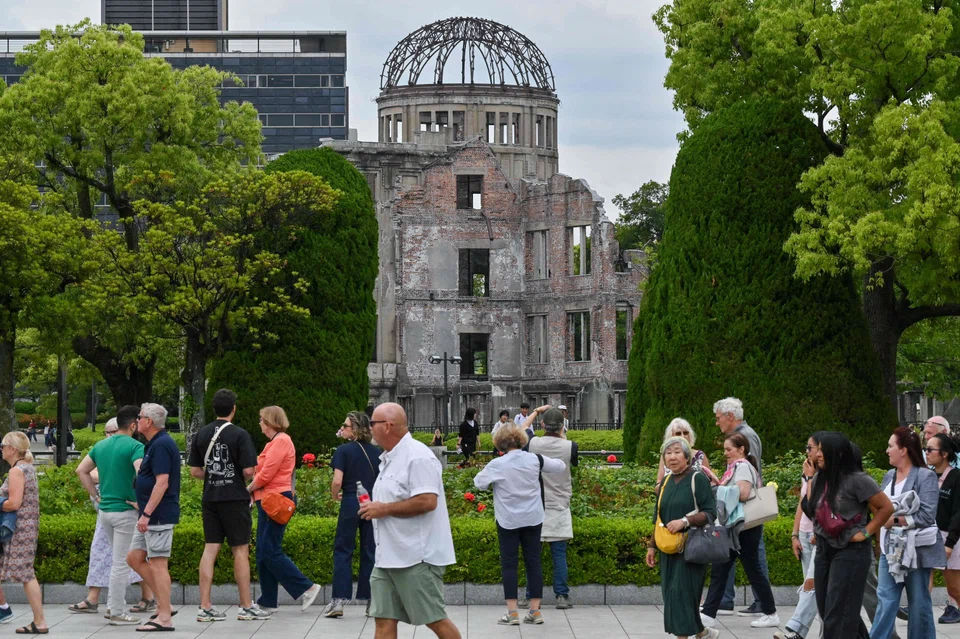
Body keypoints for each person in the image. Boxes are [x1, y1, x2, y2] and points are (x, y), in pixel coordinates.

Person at [360, 402, 461, 639]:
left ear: (387, 426)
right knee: (383, 621)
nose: (369, 427)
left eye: (372, 423)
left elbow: (427, 501)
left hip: (416, 557)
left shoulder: (418, 457)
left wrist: (383, 509)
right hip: (386, 558)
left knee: (435, 620)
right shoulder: (389, 458)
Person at [800, 432, 893, 638]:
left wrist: (866, 533)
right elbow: (810, 509)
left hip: (850, 552)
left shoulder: (858, 480)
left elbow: (886, 508)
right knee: (828, 610)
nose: (819, 454)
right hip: (824, 549)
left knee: (839, 614)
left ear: (838, 453)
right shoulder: (819, 479)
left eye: (823, 450)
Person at [188, 389, 267, 621]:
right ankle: (245, 606)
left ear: (214, 408)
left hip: (210, 497)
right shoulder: (240, 434)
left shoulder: (201, 434)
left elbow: (194, 471)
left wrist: (213, 475)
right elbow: (249, 470)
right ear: (234, 408)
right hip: (234, 498)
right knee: (240, 549)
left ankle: (205, 606)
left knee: (210, 548)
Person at [474, 423, 565, 625]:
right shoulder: (535, 459)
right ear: (522, 440)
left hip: (508, 520)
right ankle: (535, 611)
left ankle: (512, 612)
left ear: (500, 444)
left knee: (509, 564)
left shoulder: (497, 464)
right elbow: (560, 466)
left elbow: (478, 483)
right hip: (533, 518)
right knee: (534, 562)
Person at [870, 427, 946, 639]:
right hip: (890, 551)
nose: (887, 450)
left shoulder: (925, 476)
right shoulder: (888, 476)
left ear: (903, 450)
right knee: (886, 600)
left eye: (890, 446)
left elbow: (927, 515)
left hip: (916, 551)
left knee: (919, 603)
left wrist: (893, 520)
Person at [699, 433, 779, 629]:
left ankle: (771, 613)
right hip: (738, 527)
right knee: (722, 567)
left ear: (741, 449)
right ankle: (709, 613)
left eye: (729, 449)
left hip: (744, 527)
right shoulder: (736, 467)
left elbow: (742, 493)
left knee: (749, 569)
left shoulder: (742, 466)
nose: (725, 453)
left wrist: (718, 490)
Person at [74, 409, 146, 625]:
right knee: (121, 563)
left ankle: (114, 607)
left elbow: (81, 471)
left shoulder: (101, 445)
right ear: (133, 425)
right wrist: (140, 501)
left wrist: (96, 496)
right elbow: (141, 473)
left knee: (119, 560)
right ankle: (115, 611)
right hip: (125, 511)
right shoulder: (135, 446)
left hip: (105, 510)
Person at [246, 406, 320, 613]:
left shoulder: (281, 441)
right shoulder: (275, 442)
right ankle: (267, 601)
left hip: (274, 499)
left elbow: (267, 473)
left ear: (269, 421)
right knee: (263, 552)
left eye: (261, 419)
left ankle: (308, 587)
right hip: (268, 499)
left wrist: (249, 489)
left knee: (270, 550)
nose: (259, 423)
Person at [645, 436, 719, 639]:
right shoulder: (665, 482)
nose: (672, 457)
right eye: (668, 453)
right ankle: (702, 632)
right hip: (668, 548)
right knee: (671, 595)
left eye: (677, 452)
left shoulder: (698, 478)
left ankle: (685, 636)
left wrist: (684, 521)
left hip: (691, 547)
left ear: (687, 456)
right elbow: (657, 515)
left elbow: (710, 513)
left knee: (682, 595)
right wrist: (652, 546)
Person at [126, 403, 181, 632]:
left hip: (157, 516)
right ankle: (164, 604)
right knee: (134, 558)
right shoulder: (154, 444)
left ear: (148, 421)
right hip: (149, 514)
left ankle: (165, 616)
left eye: (139, 417)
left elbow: (162, 482)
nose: (136, 421)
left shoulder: (161, 445)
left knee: (158, 565)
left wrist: (146, 513)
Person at [322, 411, 381, 619]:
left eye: (345, 426)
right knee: (370, 551)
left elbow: (337, 480)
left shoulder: (343, 451)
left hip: (349, 501)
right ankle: (371, 601)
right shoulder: (377, 452)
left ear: (355, 429)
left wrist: (334, 495)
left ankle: (338, 601)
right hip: (371, 503)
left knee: (343, 550)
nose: (343, 428)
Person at [713, 397, 767, 616]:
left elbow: (748, 471)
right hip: (737, 506)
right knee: (736, 551)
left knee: (754, 555)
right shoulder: (743, 434)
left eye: (718, 419)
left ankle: (763, 602)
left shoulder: (746, 437)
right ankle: (725, 599)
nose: (717, 423)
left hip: (745, 506)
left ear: (730, 416)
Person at [526, 408, 578, 609]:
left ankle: (531, 595)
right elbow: (573, 461)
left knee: (533, 555)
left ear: (542, 425)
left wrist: (536, 411)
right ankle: (562, 596)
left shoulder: (532, 443)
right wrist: (562, 435)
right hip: (559, 504)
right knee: (559, 554)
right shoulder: (570, 446)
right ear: (562, 426)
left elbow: (520, 431)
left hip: (535, 504)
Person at [774, 434, 823, 639]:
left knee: (811, 585)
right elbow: (802, 505)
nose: (807, 452)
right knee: (814, 589)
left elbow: (815, 507)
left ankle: (795, 631)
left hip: (819, 535)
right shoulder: (808, 472)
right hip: (804, 534)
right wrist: (795, 534)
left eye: (810, 447)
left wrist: (811, 477)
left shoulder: (823, 475)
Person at [0, 432, 44, 632]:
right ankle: (37, 620)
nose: (1, 449)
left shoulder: (17, 471)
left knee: (27, 574)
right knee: (27, 573)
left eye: (3, 445)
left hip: (18, 530)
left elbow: (14, 503)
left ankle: (39, 621)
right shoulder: (27, 468)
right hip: (26, 527)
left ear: (12, 449)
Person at [925, 432, 960, 624]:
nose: (926, 452)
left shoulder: (956, 477)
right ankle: (922, 620)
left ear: (944, 454)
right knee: (924, 581)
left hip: (950, 537)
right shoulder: (927, 475)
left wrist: (950, 543)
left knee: (955, 589)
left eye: (930, 449)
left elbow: (958, 513)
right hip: (928, 535)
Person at [655, 419, 719, 488]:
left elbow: (709, 482)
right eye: (678, 433)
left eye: (685, 433)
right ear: (671, 436)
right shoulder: (665, 457)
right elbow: (658, 483)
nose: (683, 436)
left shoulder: (700, 456)